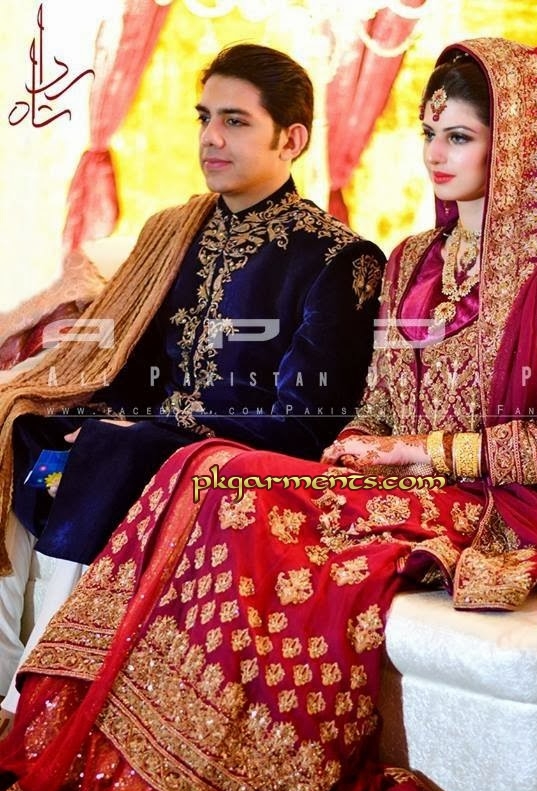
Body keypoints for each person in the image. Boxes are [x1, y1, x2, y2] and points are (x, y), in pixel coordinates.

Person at [0, 37, 537, 791]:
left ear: (517, 141)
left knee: (233, 485)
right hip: (388, 486)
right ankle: (149, 761)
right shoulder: (413, 259)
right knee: (211, 470)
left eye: (458, 136)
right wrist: (359, 445)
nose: (435, 154)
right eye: (427, 133)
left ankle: (248, 773)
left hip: (482, 510)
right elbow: (374, 406)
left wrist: (419, 451)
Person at [0, 42, 385, 694]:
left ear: (291, 139)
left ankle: (40, 693)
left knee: (113, 449)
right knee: (17, 422)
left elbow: (308, 421)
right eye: (205, 118)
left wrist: (144, 429)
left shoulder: (337, 258)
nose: (211, 137)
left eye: (236, 121)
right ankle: (2, 671)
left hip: (238, 456)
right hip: (142, 437)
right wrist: (84, 410)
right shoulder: (175, 236)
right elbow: (127, 369)